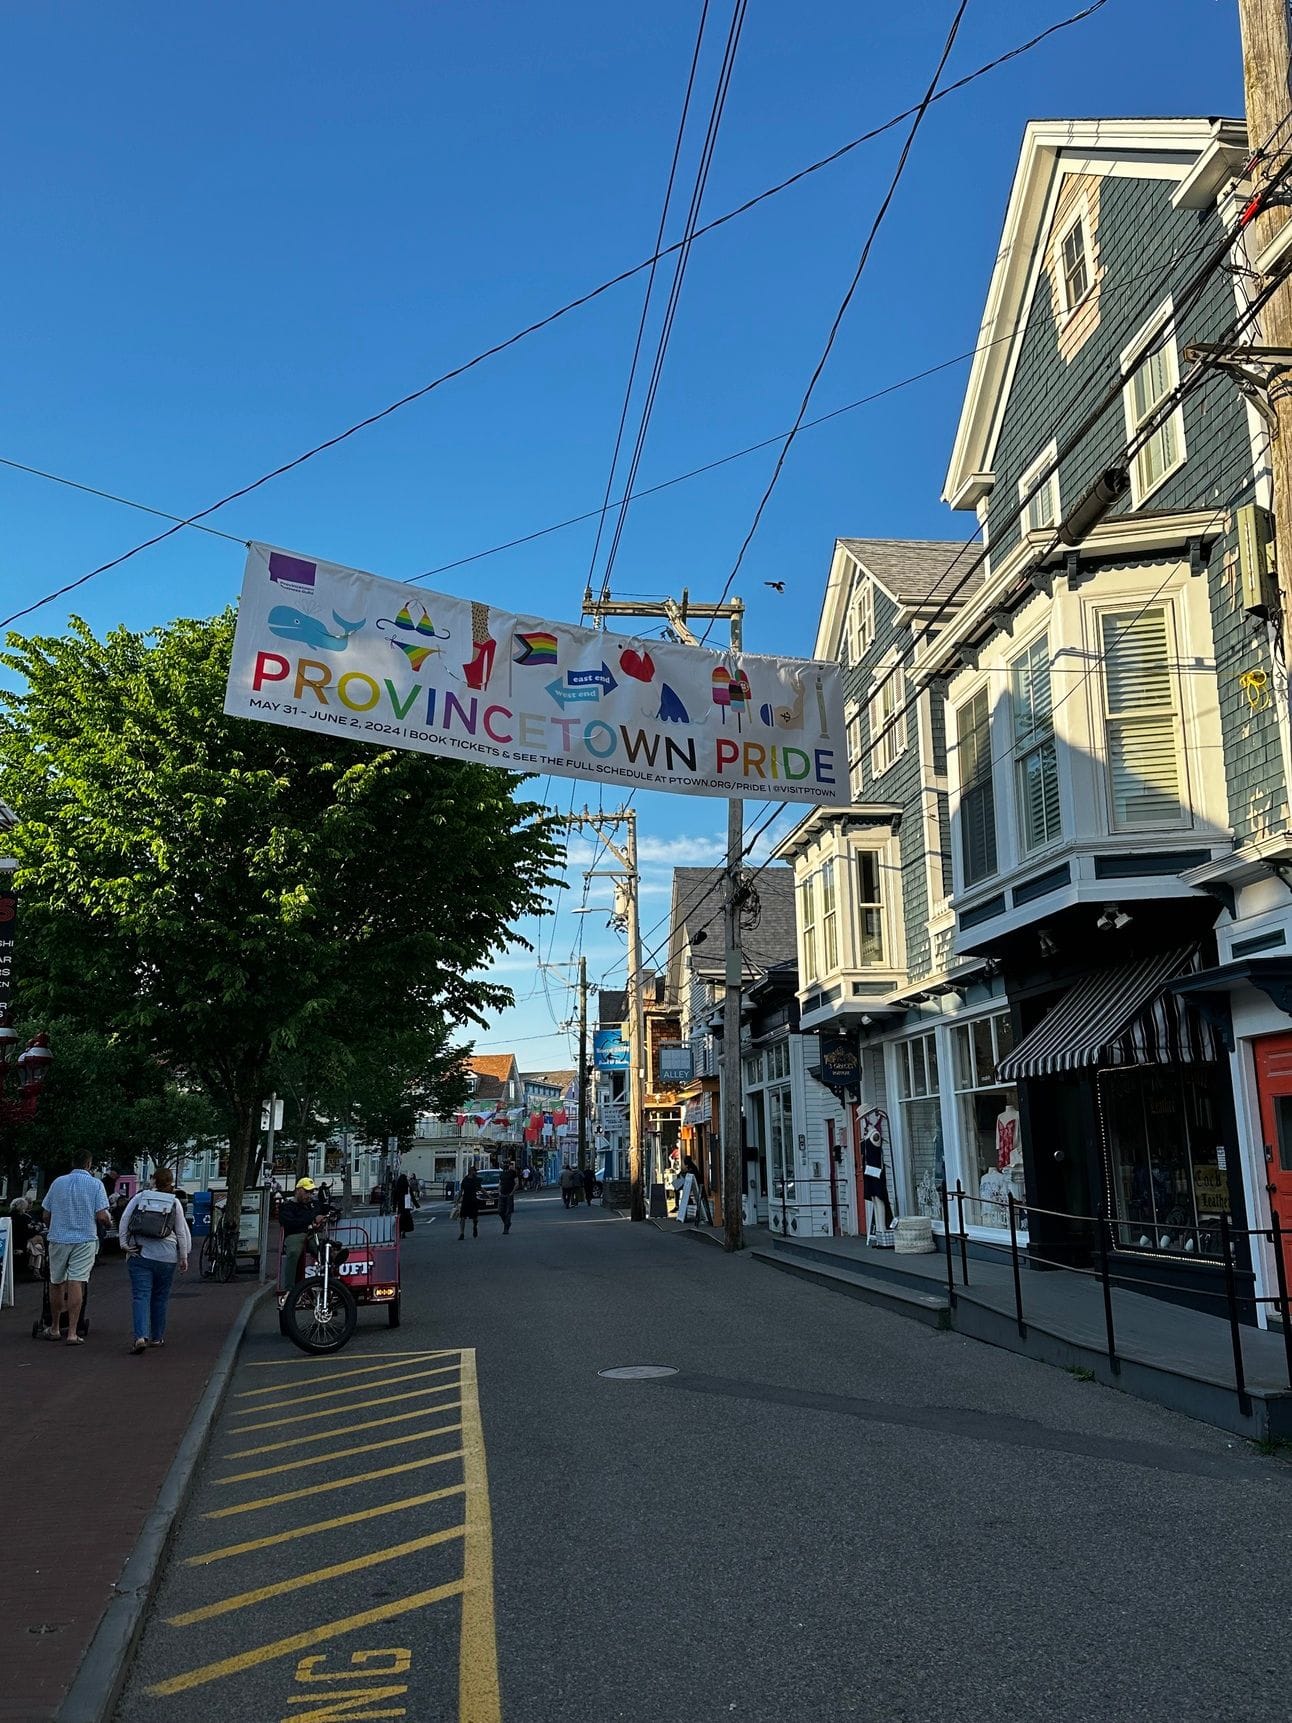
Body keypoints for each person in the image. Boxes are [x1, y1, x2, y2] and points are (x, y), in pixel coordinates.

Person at [118, 1167, 191, 1354]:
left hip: (140, 1253)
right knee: (160, 1298)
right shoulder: (175, 1202)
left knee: (140, 1296)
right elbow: (181, 1233)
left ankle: (140, 1336)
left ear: (153, 1181)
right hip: (167, 1257)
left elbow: (125, 1219)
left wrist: (124, 1243)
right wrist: (183, 1257)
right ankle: (157, 1337)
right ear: (171, 1181)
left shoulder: (140, 1197)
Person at [41, 1151, 111, 1344]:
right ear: (89, 1164)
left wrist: (53, 1227)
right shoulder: (96, 1184)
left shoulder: (57, 1183)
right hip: (84, 1238)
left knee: (56, 1282)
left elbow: (46, 1214)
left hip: (58, 1238)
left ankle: (54, 1327)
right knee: (76, 1282)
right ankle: (72, 1332)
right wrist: (108, 1225)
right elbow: (102, 1216)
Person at [278, 1177, 323, 1291]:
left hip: (312, 1234)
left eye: (311, 1192)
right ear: (298, 1190)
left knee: (324, 1249)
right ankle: (289, 1290)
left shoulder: (313, 1204)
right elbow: (289, 1222)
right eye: (306, 1192)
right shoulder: (287, 1206)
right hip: (294, 1234)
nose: (309, 1195)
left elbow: (322, 1210)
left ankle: (329, 1281)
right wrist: (311, 1220)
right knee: (293, 1252)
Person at [682, 1153, 713, 1226]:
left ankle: (703, 1216)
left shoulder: (692, 1168)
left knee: (701, 1200)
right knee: (699, 1200)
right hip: (697, 1185)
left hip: (698, 1185)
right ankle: (703, 1216)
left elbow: (693, 1175)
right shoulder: (691, 1167)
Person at [458, 1166, 482, 1240]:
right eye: (475, 1171)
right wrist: (457, 1200)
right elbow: (461, 1191)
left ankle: (475, 1226)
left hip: (473, 1201)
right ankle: (462, 1233)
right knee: (462, 1217)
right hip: (466, 1200)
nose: (476, 1173)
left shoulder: (475, 1180)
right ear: (471, 1171)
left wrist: (488, 1195)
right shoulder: (465, 1180)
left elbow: (481, 1188)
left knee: (475, 1218)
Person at [499, 1159, 518, 1235]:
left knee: (508, 1212)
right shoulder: (502, 1174)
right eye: (504, 1163)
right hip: (502, 1195)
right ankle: (507, 1223)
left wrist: (512, 1192)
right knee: (500, 1211)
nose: (505, 1165)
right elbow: (500, 1183)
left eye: (506, 1164)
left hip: (509, 1194)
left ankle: (506, 1228)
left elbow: (517, 1183)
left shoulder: (513, 1173)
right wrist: (499, 1192)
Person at [393, 1171, 414, 1236]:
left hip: (400, 1205)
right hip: (406, 1204)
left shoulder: (398, 1188)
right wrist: (416, 1204)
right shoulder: (407, 1187)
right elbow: (412, 1196)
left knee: (400, 1218)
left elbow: (395, 1197)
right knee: (406, 1218)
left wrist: (394, 1206)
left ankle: (399, 1231)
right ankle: (404, 1232)